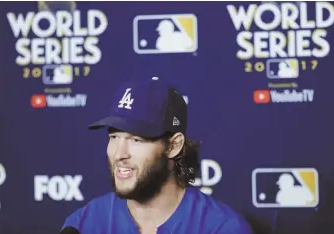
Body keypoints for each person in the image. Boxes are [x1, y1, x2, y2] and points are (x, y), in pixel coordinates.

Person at [61, 77, 253, 234]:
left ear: (173, 146)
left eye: (136, 139)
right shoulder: (83, 224)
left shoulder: (221, 227)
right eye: (114, 137)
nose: (119, 154)